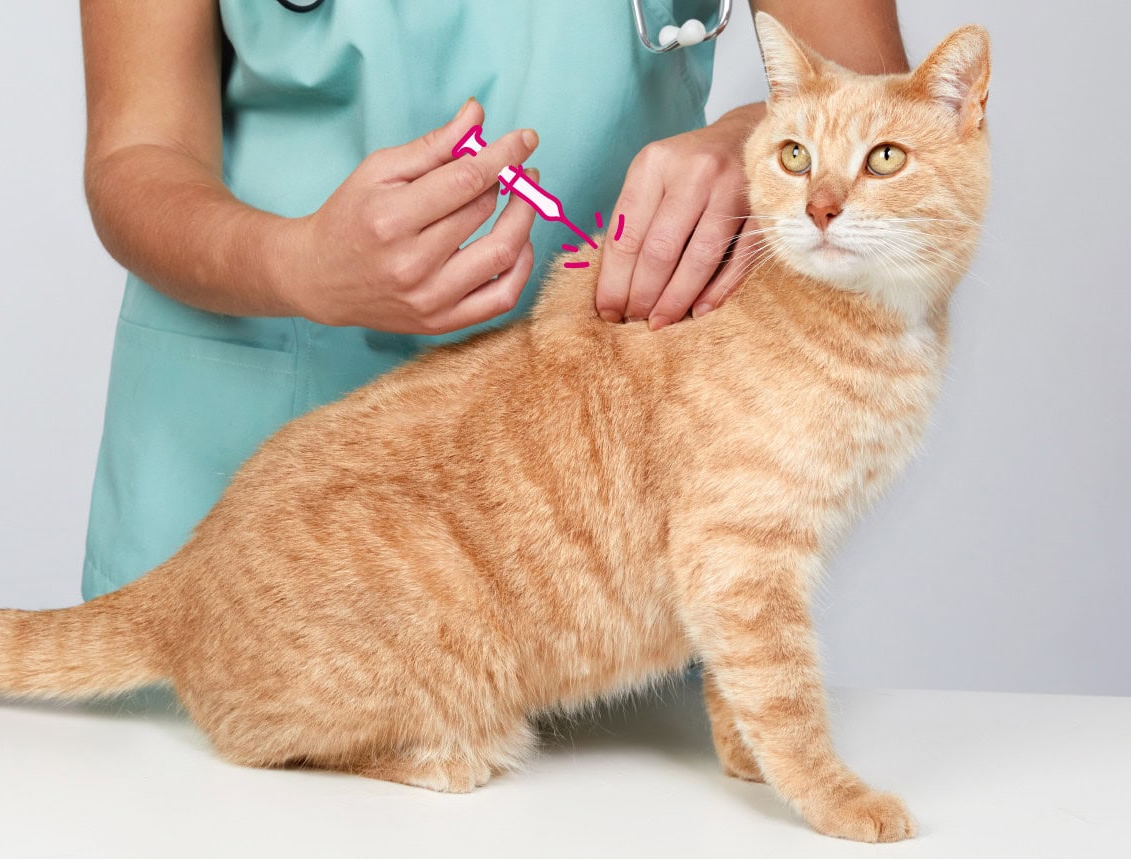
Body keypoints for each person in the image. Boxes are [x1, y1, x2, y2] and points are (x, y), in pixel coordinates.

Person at [77, 0, 909, 599]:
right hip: (240, 476)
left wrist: (749, 147)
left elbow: (880, 97)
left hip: (603, 493)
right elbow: (136, 152)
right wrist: (295, 263)